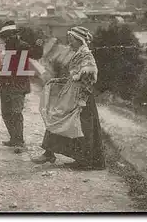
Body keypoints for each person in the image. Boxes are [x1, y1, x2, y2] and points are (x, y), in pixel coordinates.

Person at [31, 26, 106, 170]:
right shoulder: (79, 53)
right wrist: (58, 81)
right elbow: (74, 77)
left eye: (72, 40)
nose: (70, 43)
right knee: (61, 120)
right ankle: (51, 153)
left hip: (81, 98)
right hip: (73, 93)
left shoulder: (86, 55)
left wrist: (82, 99)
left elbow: (89, 79)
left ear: (79, 40)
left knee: (81, 127)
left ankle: (84, 161)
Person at [0, 20, 44, 153]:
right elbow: (6, 66)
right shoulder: (8, 48)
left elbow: (36, 55)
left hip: (18, 85)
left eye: (8, 35)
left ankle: (19, 142)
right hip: (7, 85)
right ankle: (14, 138)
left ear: (13, 35)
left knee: (16, 113)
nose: (5, 38)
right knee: (6, 113)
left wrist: (39, 45)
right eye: (5, 36)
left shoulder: (22, 46)